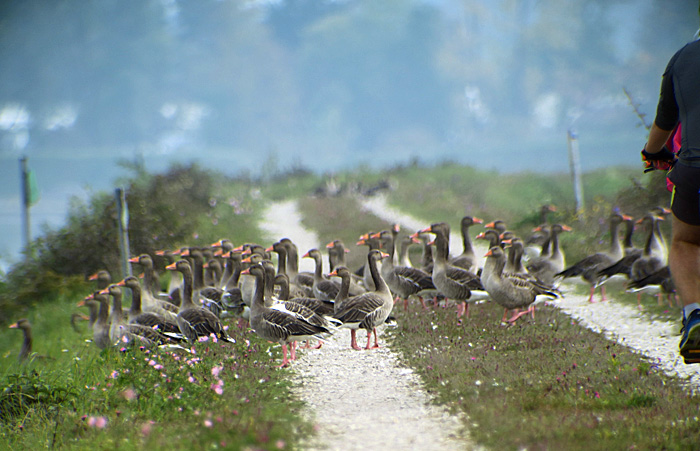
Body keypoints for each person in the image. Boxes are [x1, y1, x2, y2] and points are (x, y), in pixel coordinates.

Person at [642, 24, 700, 364]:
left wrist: (652, 153)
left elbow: (665, 120)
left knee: (687, 241)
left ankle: (695, 315)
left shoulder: (682, 58)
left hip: (693, 170)